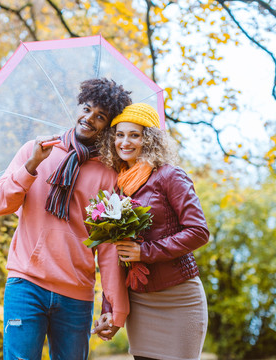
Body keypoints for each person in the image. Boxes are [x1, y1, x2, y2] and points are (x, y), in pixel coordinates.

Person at [0, 78, 132, 360]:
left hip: (75, 293)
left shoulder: (108, 175)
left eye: (100, 116)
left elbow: (108, 247)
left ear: (108, 126)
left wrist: (115, 307)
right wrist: (31, 166)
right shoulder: (37, 150)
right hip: (26, 284)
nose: (89, 118)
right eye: (87, 109)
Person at [92, 103, 210, 360]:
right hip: (140, 302)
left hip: (179, 295)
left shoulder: (169, 176)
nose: (126, 142)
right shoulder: (117, 188)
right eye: (120, 135)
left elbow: (199, 231)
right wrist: (109, 306)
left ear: (150, 138)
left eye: (135, 134)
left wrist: (145, 251)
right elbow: (116, 256)